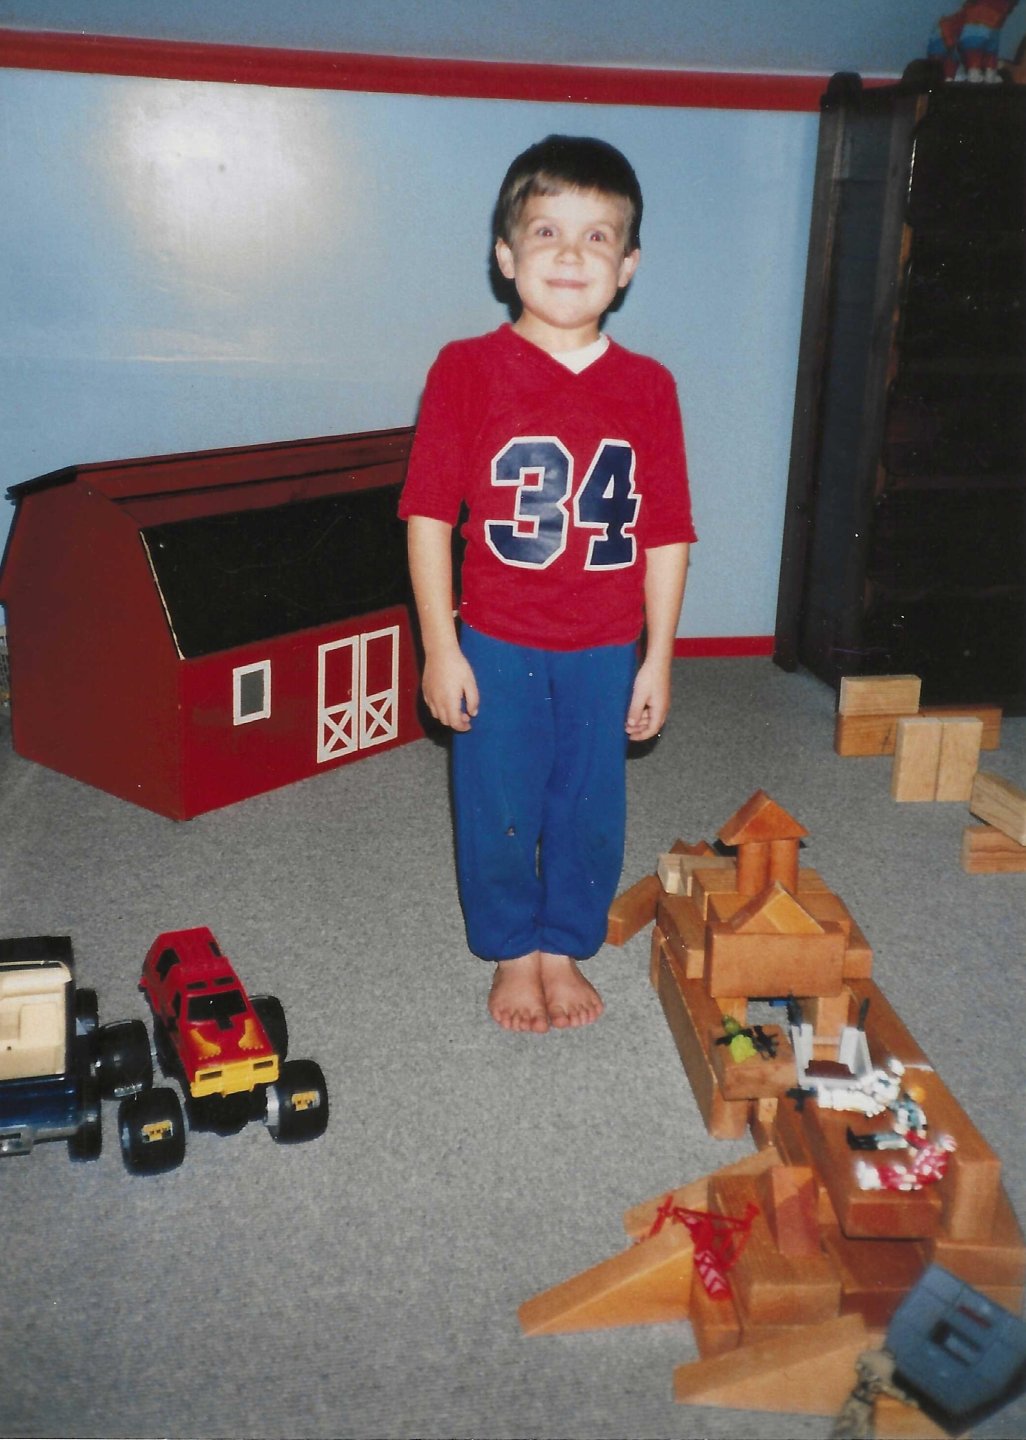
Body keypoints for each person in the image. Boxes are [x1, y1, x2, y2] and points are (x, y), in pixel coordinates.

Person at [399, 134, 696, 1034]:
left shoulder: (650, 386)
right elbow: (427, 518)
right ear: (506, 255)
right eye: (547, 231)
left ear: (628, 266)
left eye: (598, 237)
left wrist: (660, 660)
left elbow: (668, 531)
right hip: (497, 634)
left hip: (606, 644)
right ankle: (510, 951)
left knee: (588, 805)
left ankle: (562, 944)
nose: (571, 254)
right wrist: (440, 648)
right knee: (497, 802)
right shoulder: (466, 369)